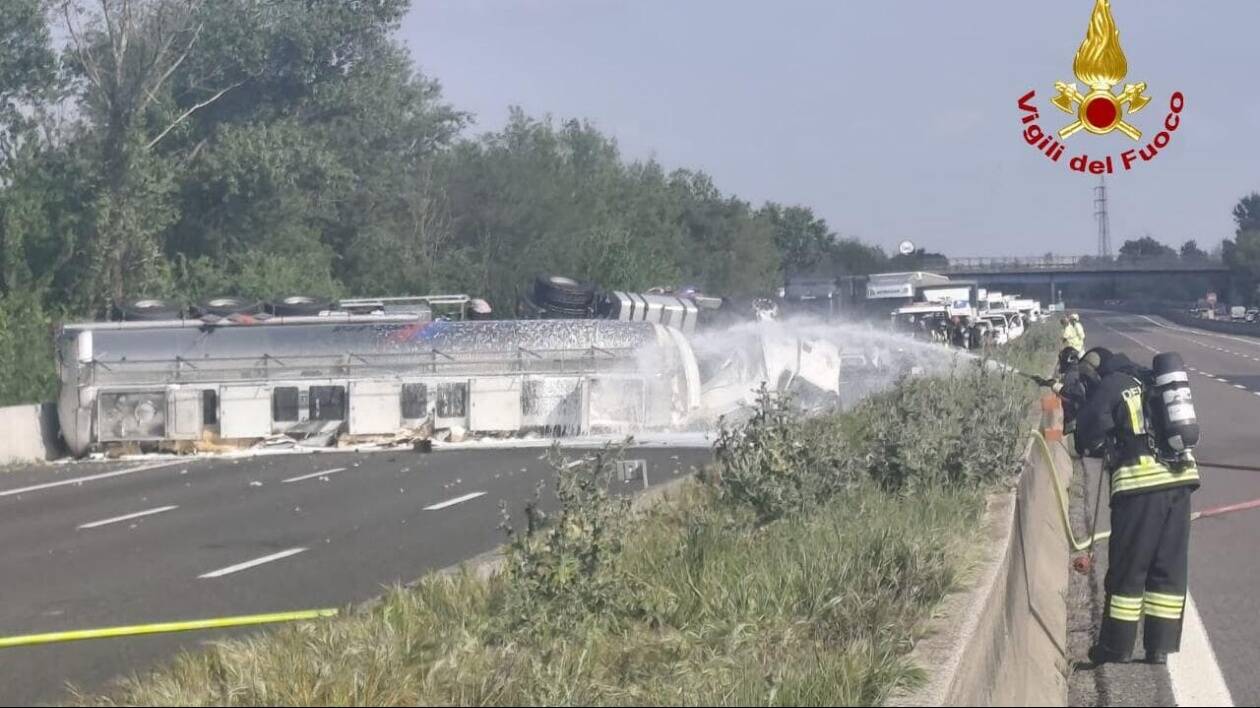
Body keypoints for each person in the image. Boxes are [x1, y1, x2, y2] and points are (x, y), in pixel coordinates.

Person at [1073, 351, 1200, 666]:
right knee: (1167, 569)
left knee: (1129, 568)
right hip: (1181, 482)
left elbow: (1087, 437)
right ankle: (1160, 647)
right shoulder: (1153, 380)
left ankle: (1116, 647)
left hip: (1140, 487)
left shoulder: (1113, 384)